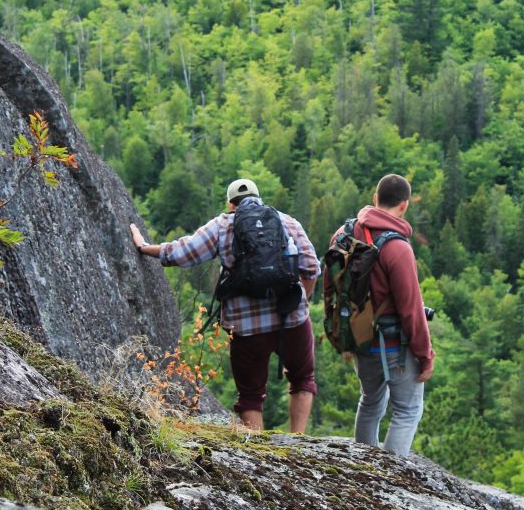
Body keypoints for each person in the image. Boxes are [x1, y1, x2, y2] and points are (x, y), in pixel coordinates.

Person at [130, 177, 320, 432]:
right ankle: (298, 442)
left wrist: (144, 247)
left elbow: (182, 253)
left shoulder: (222, 226)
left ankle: (261, 454)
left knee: (251, 395)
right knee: (302, 379)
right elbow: (311, 268)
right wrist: (302, 302)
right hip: (292, 320)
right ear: (259, 198)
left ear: (231, 204)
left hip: (246, 327)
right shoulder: (286, 222)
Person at [334, 173, 434, 455]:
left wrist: (345, 336)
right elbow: (411, 309)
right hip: (395, 344)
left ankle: (364, 470)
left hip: (359, 338)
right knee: (407, 409)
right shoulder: (397, 248)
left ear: (375, 199)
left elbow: (331, 285)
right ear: (404, 205)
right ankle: (390, 480)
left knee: (370, 401)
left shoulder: (342, 235)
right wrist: (425, 355)